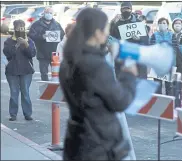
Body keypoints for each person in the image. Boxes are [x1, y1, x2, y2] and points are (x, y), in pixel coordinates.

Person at [59, 8, 137, 160]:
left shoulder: (69, 61)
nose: (108, 34)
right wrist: (129, 76)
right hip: (98, 144)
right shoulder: (95, 65)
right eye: (106, 29)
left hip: (76, 140)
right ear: (96, 32)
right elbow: (120, 102)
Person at [3, 20, 37, 121]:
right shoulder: (8, 41)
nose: (20, 30)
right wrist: (17, 45)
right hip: (12, 71)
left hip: (26, 70)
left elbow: (32, 54)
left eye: (22, 28)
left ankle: (27, 114)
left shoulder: (29, 40)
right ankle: (13, 114)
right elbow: (7, 53)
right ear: (14, 28)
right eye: (18, 28)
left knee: (25, 92)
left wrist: (26, 44)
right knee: (14, 93)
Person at [110, 1, 149, 79]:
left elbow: (146, 39)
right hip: (122, 58)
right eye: (124, 9)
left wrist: (140, 38)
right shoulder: (117, 25)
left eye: (128, 9)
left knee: (138, 82)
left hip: (136, 57)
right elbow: (111, 39)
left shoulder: (139, 23)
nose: (126, 11)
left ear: (131, 9)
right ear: (121, 10)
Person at [28, 7, 65, 81]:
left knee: (56, 73)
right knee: (44, 73)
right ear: (44, 13)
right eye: (47, 12)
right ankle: (44, 89)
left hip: (55, 52)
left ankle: (55, 88)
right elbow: (30, 36)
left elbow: (62, 35)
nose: (49, 14)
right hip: (42, 52)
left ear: (53, 14)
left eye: (50, 13)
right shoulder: (36, 24)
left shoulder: (57, 24)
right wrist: (41, 37)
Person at [150, 17, 179, 95]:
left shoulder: (172, 35)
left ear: (167, 25)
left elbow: (175, 48)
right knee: (157, 86)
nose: (162, 25)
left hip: (169, 65)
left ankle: (169, 102)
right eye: (160, 23)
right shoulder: (154, 35)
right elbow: (151, 48)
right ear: (158, 25)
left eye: (164, 23)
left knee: (169, 86)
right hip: (157, 64)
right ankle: (157, 102)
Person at [172, 17, 182, 98]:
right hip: (173, 61)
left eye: (179, 23)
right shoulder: (170, 34)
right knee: (173, 80)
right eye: (176, 23)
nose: (177, 25)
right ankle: (173, 96)